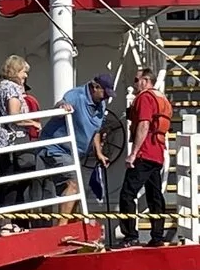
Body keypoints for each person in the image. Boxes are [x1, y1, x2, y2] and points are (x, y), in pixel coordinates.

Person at [116, 65, 174, 249]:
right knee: (155, 195)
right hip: (158, 154)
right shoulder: (161, 98)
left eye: (136, 80)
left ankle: (130, 236)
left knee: (127, 194)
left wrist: (133, 153)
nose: (134, 85)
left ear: (146, 81)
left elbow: (143, 125)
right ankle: (157, 236)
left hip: (145, 153)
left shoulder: (145, 99)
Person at [0, 54, 38, 227]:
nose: (26, 76)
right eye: (24, 72)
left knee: (6, 182)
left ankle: (6, 222)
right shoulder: (12, 88)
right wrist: (33, 123)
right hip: (11, 141)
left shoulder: (0, 87)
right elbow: (14, 116)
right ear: (16, 71)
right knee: (12, 182)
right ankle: (9, 223)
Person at [57, 72, 113, 216]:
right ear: (95, 87)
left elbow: (96, 130)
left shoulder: (101, 104)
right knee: (73, 185)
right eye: (105, 93)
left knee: (77, 189)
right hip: (59, 149)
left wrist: (99, 153)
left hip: (80, 153)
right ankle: (62, 227)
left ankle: (70, 223)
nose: (106, 97)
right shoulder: (76, 95)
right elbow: (60, 104)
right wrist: (63, 106)